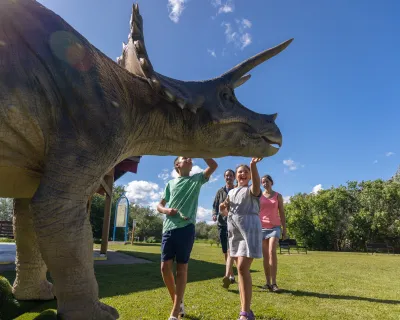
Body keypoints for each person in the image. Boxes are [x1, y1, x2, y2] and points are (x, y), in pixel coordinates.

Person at [157, 157, 218, 320]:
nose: (190, 159)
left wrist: (200, 151)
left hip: (186, 228)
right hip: (168, 229)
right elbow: (159, 205)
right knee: (164, 268)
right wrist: (166, 210)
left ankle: (175, 312)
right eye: (185, 158)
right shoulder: (170, 183)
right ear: (177, 164)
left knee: (181, 269)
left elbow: (213, 165)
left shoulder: (196, 179)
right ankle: (178, 302)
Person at [220, 158, 263, 320]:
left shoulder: (252, 190)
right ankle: (246, 311)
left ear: (250, 176)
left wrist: (253, 165)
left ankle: (244, 313)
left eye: (246, 172)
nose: (243, 174)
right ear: (236, 176)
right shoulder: (230, 193)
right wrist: (223, 208)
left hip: (249, 231)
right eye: (240, 172)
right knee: (241, 271)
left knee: (243, 268)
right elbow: (227, 213)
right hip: (235, 233)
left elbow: (257, 186)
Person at [259, 174, 287, 293]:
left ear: (271, 182)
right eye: (263, 182)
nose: (265, 184)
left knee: (272, 252)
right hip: (261, 227)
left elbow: (281, 212)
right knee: (265, 256)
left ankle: (274, 283)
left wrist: (284, 229)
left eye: (266, 181)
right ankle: (268, 282)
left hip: (275, 227)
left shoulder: (277, 196)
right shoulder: (259, 196)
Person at [212, 169, 236, 286]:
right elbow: (215, 205)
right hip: (222, 224)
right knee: (225, 250)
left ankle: (235, 273)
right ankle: (230, 274)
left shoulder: (237, 190)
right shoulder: (220, 191)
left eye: (231, 175)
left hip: (235, 224)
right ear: (224, 177)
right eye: (226, 175)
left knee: (234, 249)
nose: (228, 177)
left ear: (234, 177)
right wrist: (213, 214)